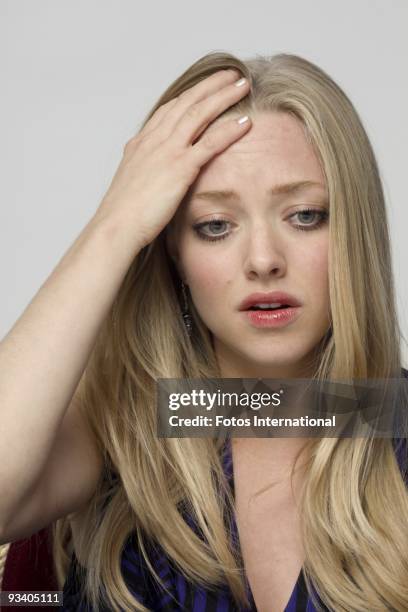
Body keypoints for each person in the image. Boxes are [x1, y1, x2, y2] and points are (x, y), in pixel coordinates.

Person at [0, 51, 407, 612]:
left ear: (353, 233)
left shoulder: (390, 414)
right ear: (174, 255)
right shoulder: (139, 423)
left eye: (305, 215)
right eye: (215, 225)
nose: (263, 260)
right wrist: (113, 226)